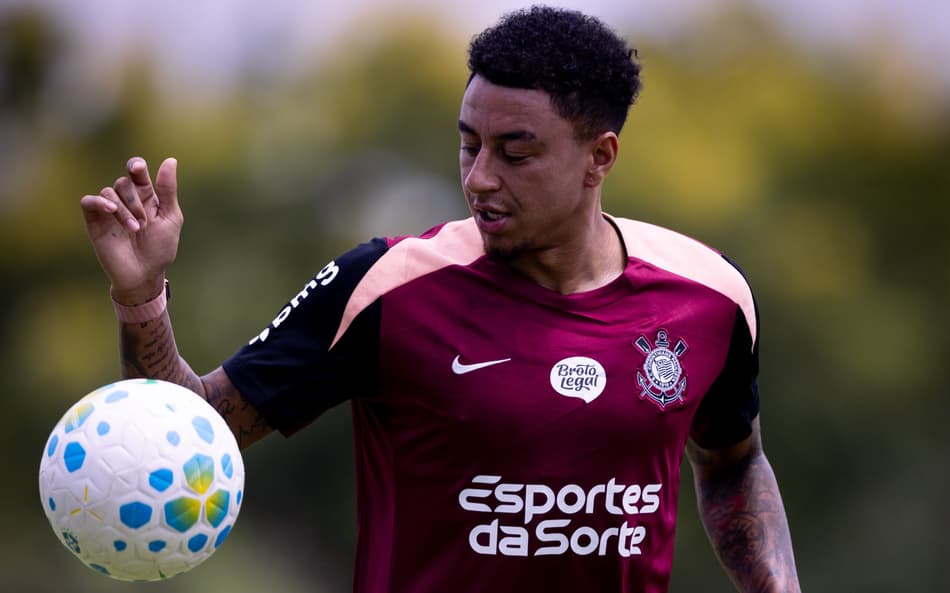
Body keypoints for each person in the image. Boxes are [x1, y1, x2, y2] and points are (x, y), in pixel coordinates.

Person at [79, 6, 800, 593]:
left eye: (515, 152)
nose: (481, 177)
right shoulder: (388, 287)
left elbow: (733, 459)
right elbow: (186, 433)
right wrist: (140, 295)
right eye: (468, 145)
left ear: (599, 157)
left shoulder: (708, 297)